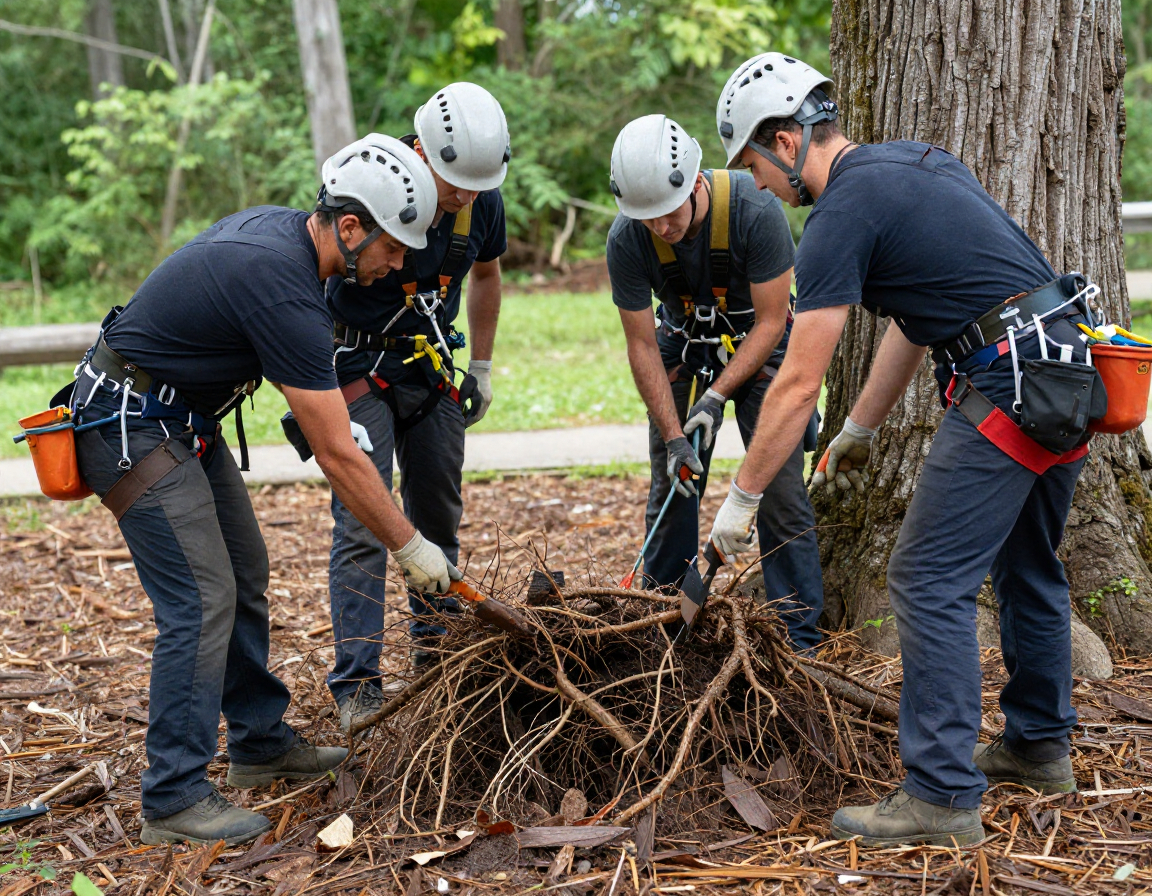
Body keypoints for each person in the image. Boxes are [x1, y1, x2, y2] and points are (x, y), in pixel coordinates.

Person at [708, 52, 1092, 845]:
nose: (756, 184)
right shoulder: (913, 165)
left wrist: (742, 500)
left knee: (925, 578)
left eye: (754, 163)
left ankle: (943, 797)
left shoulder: (839, 216)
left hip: (1011, 385)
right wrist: (861, 430)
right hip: (1069, 365)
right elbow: (918, 322)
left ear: (786, 139)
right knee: (1027, 564)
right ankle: (1037, 745)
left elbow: (792, 385)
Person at [69, 135, 451, 846]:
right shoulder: (281, 284)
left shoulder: (292, 245)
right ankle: (173, 799)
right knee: (201, 597)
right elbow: (337, 454)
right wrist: (412, 546)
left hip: (179, 419)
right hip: (130, 425)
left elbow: (322, 418)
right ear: (350, 227)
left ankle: (257, 744)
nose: (399, 263)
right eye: (394, 247)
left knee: (244, 571)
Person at [322, 83, 510, 733]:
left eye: (476, 184)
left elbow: (486, 276)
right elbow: (315, 272)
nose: (463, 196)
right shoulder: (369, 184)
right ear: (421, 149)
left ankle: (438, 664)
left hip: (429, 366)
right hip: (355, 365)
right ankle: (358, 688)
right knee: (363, 520)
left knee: (437, 514)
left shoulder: (480, 196)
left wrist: (480, 365)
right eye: (454, 180)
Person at [605, 113, 823, 649]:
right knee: (675, 481)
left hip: (759, 339)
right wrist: (676, 436)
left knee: (780, 488)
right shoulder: (627, 238)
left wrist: (717, 394)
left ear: (696, 182)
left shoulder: (755, 210)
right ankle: (662, 622)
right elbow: (640, 345)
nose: (660, 227)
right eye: (646, 217)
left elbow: (774, 322)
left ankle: (798, 636)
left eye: (667, 212)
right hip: (682, 339)